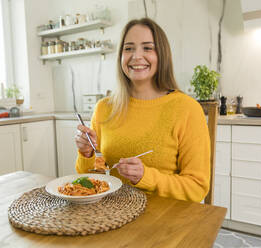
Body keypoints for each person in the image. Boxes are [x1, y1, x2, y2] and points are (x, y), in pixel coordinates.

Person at [74, 18, 210, 202]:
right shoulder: (104, 108)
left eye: (147, 48)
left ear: (162, 55)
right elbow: (90, 181)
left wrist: (146, 177)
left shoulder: (187, 109)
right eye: (128, 48)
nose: (136, 56)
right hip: (107, 217)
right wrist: (87, 154)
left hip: (161, 221)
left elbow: (197, 189)